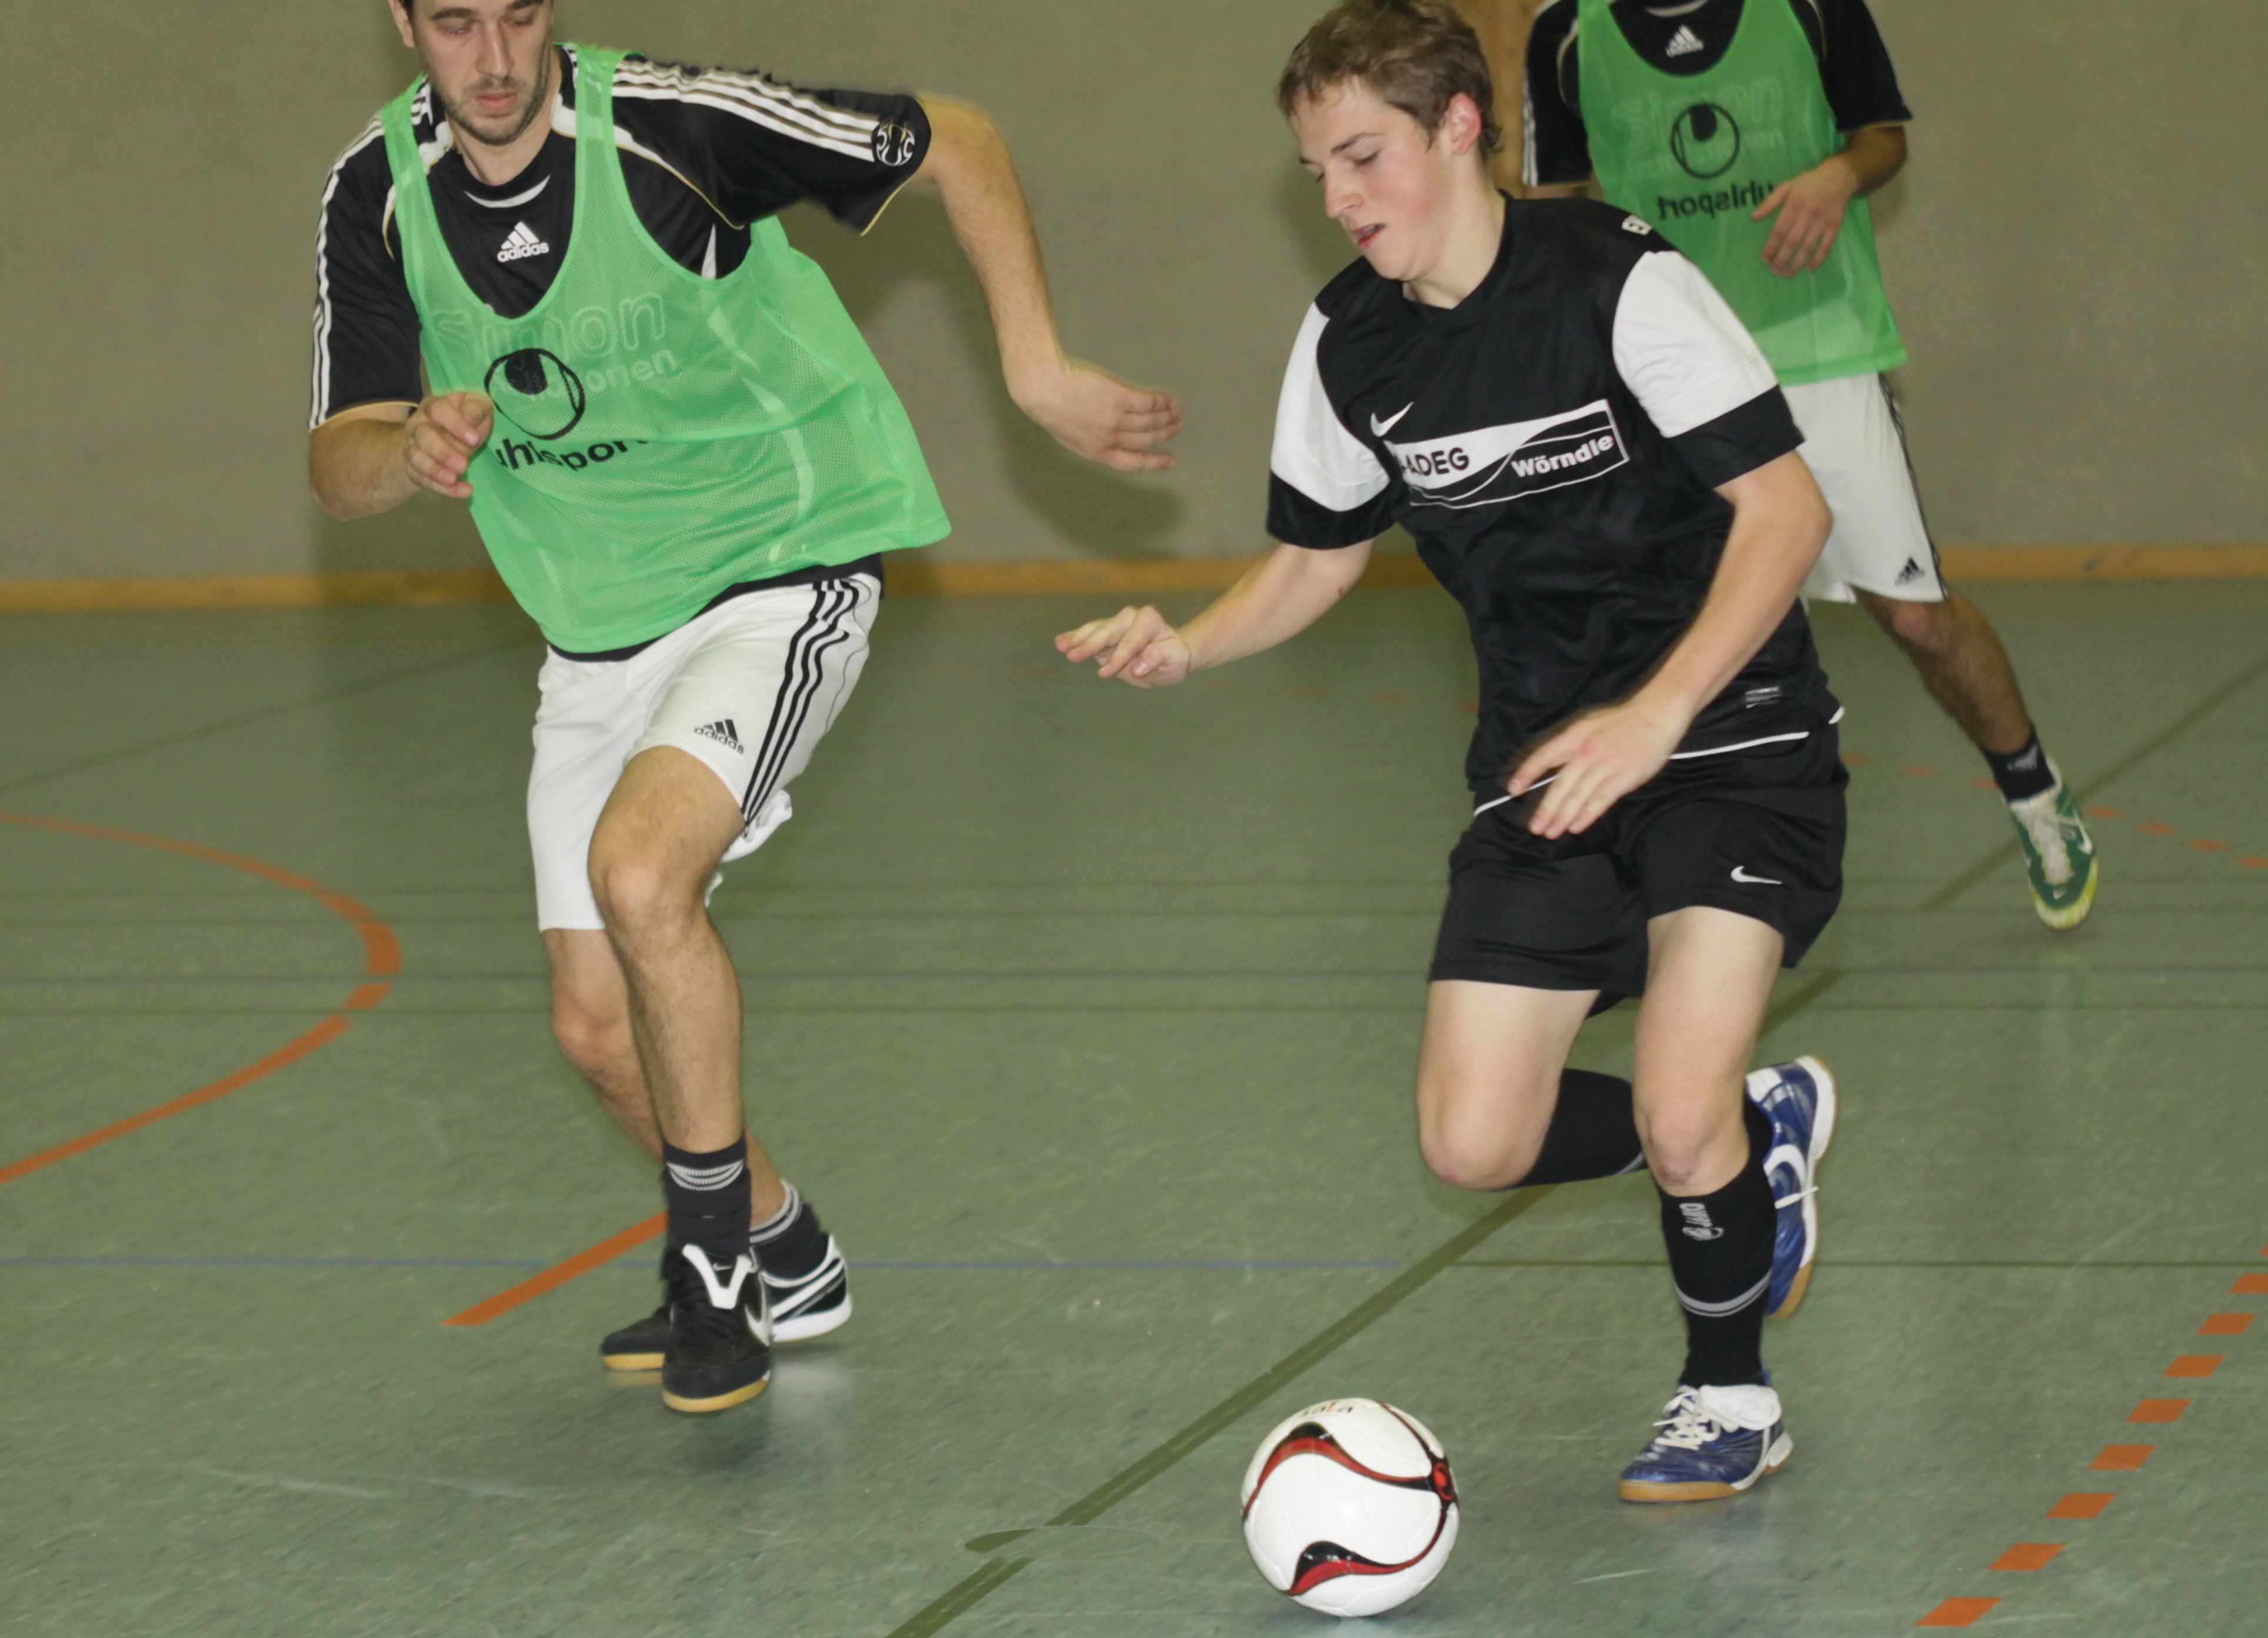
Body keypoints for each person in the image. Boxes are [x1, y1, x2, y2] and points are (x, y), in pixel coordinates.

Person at [311, 0, 1180, 1415]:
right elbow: (336, 461)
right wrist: (403, 445)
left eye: (518, 13)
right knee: (599, 1031)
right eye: (455, 21)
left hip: (779, 565)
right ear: (401, 22)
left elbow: (955, 139)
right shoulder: (376, 192)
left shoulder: (671, 130)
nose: (494, 56)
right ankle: (783, 1241)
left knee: (640, 873)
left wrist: (1033, 366)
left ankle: (710, 1272)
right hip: (596, 628)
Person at [1062, 0, 1839, 1502]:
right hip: (1542, 770)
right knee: (1474, 1140)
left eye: (1363, 157)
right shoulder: (1347, 341)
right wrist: (1189, 644)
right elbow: (1316, 558)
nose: (1339, 200)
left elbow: (1786, 512)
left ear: (1460, 126)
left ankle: (1728, 1393)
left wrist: (1657, 714)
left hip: (1730, 738)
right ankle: (1754, 1136)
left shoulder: (1617, 280)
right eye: (1316, 173)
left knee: (1673, 1105)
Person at [1517, 0, 2097, 928]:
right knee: (1664, 637)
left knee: (1916, 618)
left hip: (1821, 347)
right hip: (1669, 371)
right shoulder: (1566, 36)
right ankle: (1656, 873)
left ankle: (2032, 786)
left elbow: (1882, 137)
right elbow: (1552, 211)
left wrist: (1839, 174)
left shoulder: (1812, 8)